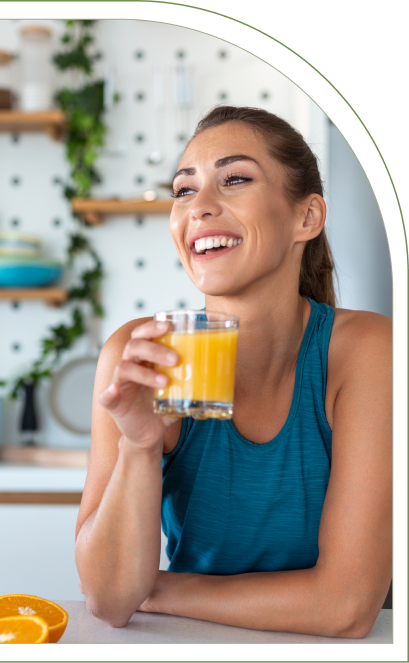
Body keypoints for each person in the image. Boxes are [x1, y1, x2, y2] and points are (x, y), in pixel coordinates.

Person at [75, 106, 392, 638]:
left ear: (306, 218)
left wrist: (155, 588)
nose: (199, 207)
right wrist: (139, 444)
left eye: (235, 179)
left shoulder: (368, 353)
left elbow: (347, 607)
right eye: (183, 189)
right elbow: (108, 597)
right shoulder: (142, 355)